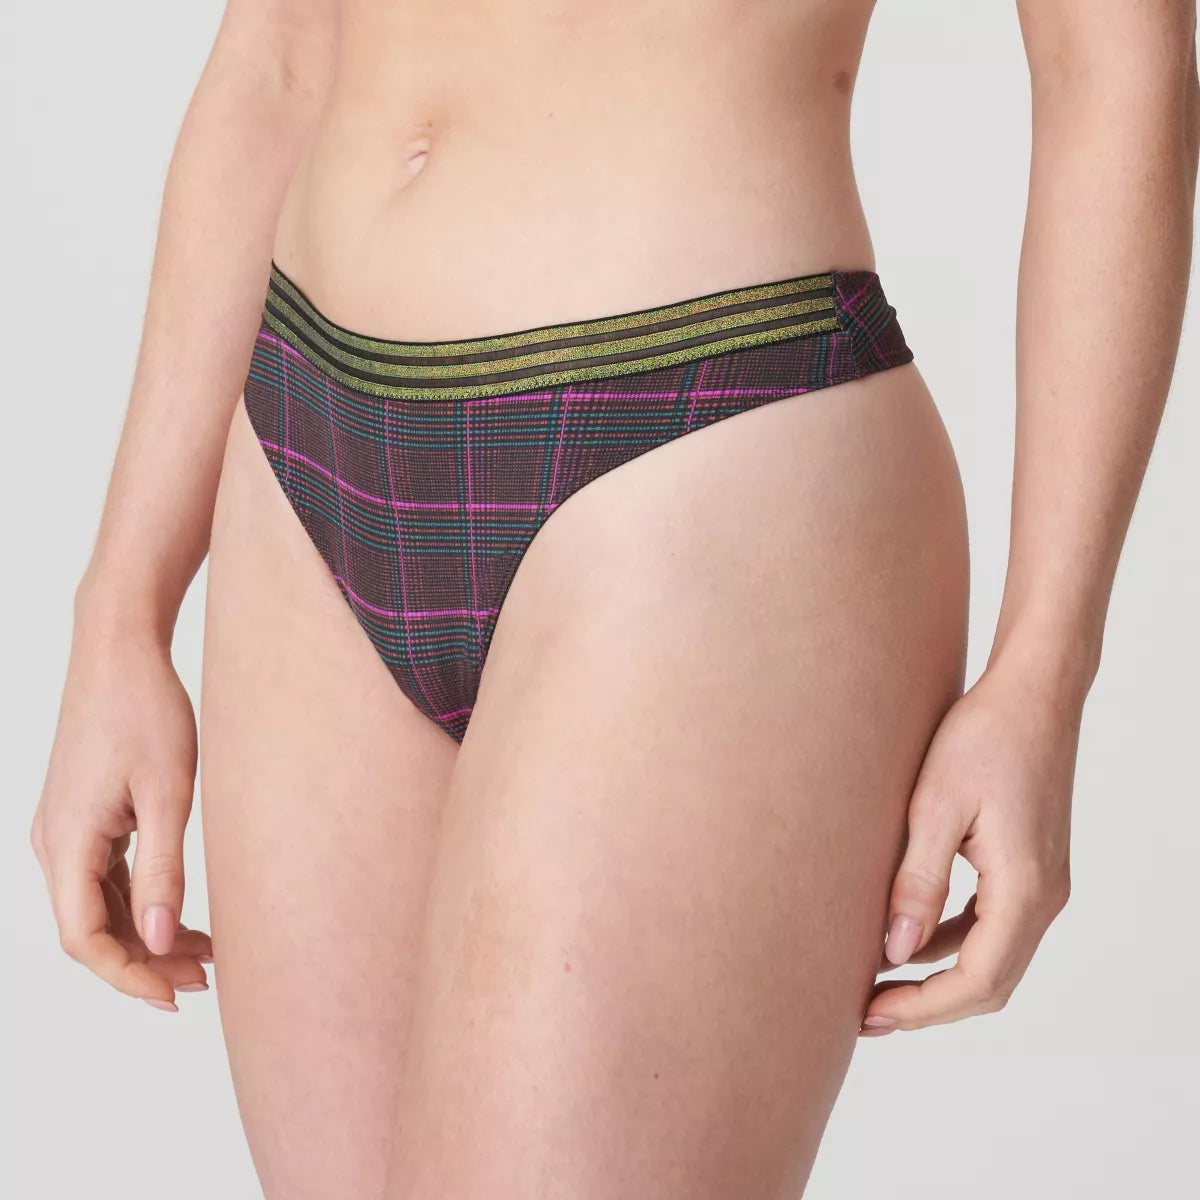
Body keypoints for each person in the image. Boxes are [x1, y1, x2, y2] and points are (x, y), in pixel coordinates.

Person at [30, 1, 1199, 1196]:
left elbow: (1106, 57)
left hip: (700, 428)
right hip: (305, 430)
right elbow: (281, 51)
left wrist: (1045, 670)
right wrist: (120, 609)